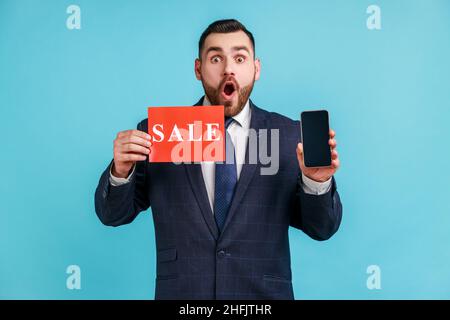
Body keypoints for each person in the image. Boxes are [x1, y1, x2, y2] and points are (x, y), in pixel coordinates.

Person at [95, 19, 342, 300]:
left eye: (239, 58)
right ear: (198, 69)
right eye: (215, 58)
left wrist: (317, 183)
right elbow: (112, 215)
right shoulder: (157, 133)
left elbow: (322, 229)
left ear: (256, 68)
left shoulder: (288, 136)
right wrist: (120, 171)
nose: (228, 68)